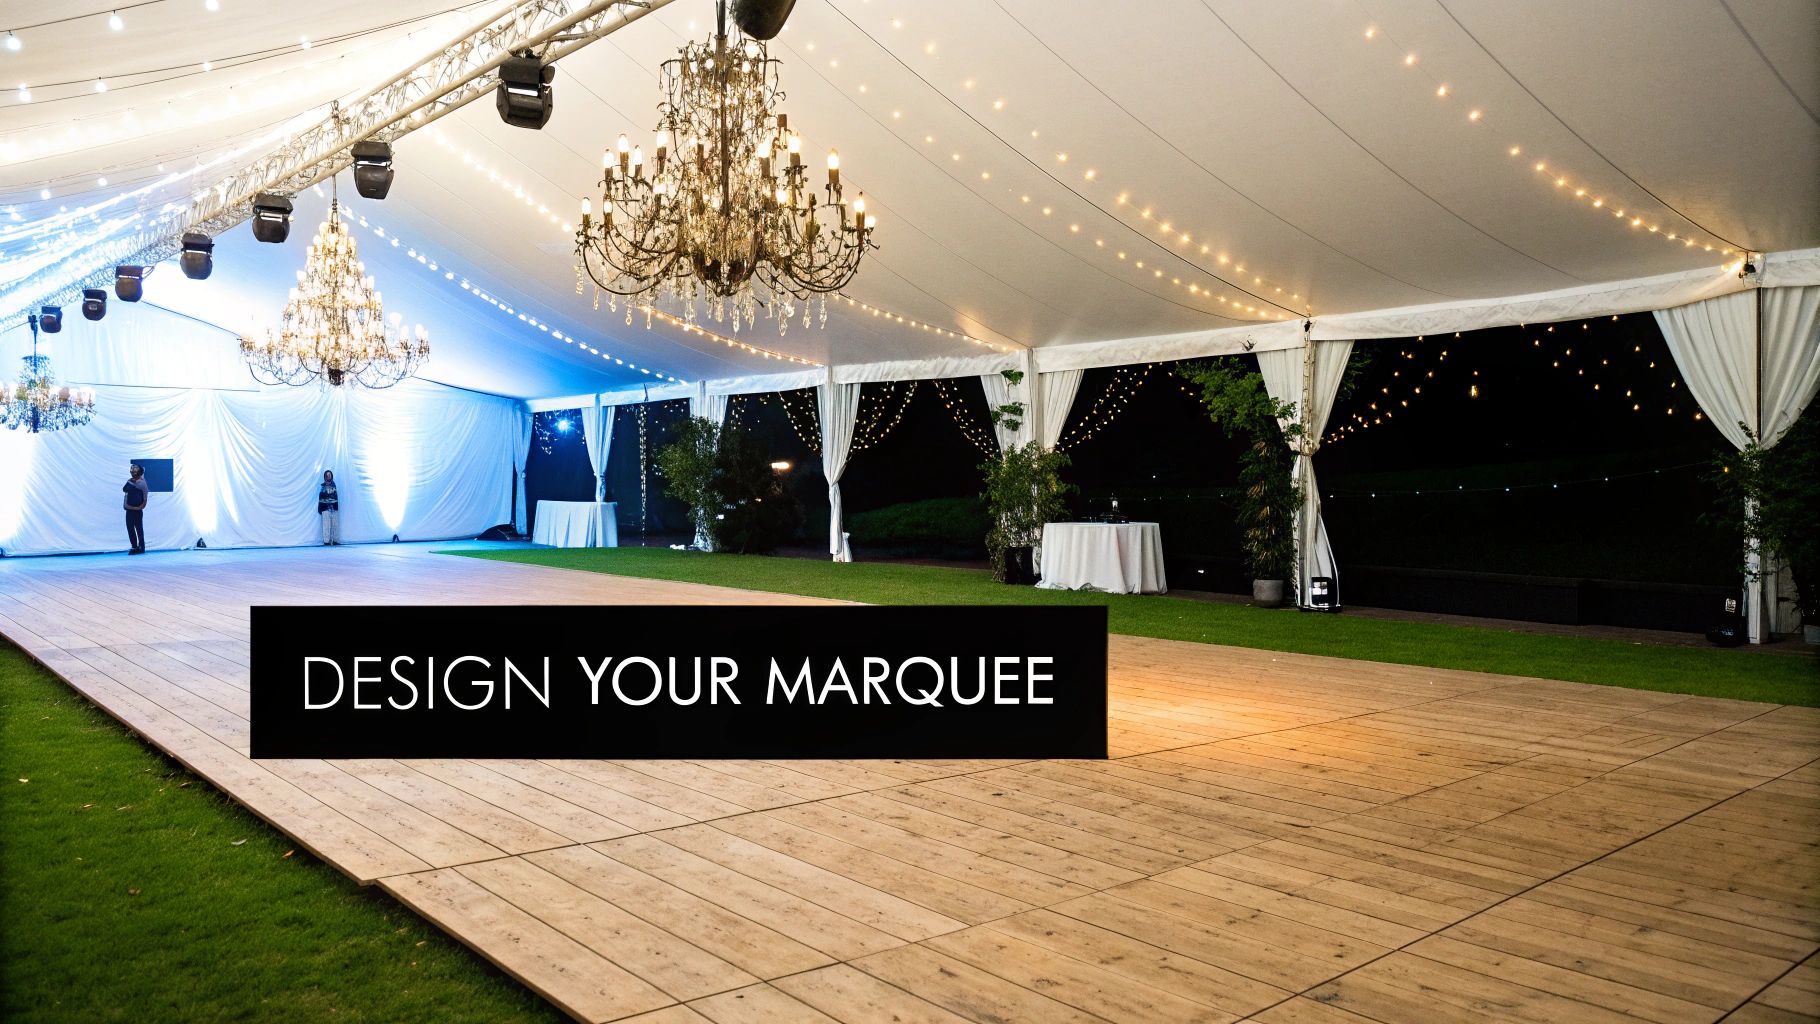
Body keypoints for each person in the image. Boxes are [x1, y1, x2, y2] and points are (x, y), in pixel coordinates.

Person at [122, 463, 148, 555]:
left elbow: (145, 498)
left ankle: (141, 547)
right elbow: (124, 489)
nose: (133, 469)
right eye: (132, 468)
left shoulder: (142, 483)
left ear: (139, 471)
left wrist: (139, 507)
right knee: (130, 528)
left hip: (137, 510)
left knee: (139, 529)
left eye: (135, 468)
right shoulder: (130, 481)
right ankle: (134, 546)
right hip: (129, 509)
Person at [317, 469, 340, 545]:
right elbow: (320, 498)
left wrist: (336, 507)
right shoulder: (322, 487)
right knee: (326, 525)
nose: (328, 476)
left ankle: (335, 541)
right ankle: (326, 541)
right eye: (327, 475)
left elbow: (336, 497)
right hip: (325, 508)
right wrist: (320, 508)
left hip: (334, 508)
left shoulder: (334, 486)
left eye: (329, 475)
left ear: (331, 476)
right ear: (325, 477)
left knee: (335, 525)